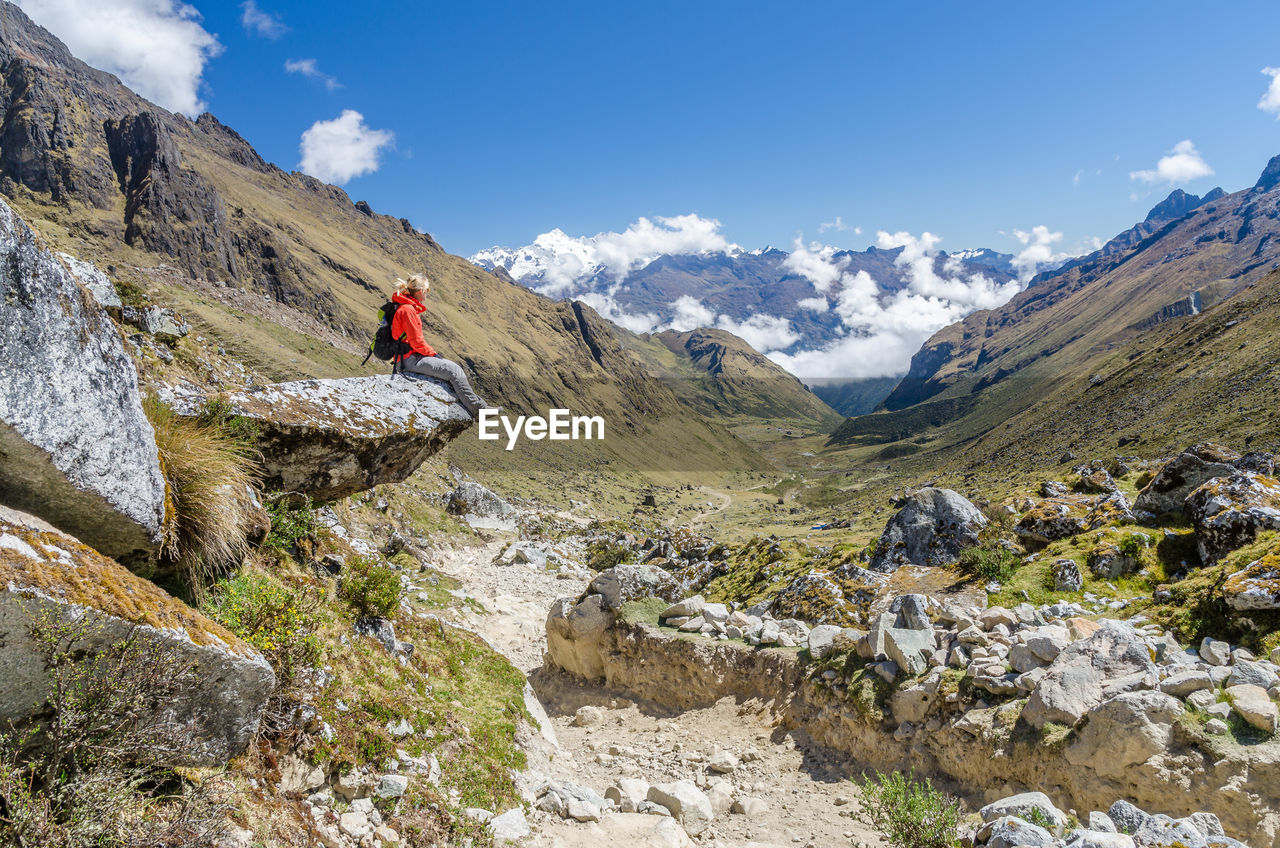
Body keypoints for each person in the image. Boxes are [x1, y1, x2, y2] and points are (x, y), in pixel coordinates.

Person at [390, 274, 491, 416]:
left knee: (451, 369)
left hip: (407, 356)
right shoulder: (408, 310)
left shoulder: (406, 308)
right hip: (409, 359)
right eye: (427, 290)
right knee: (454, 370)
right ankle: (478, 410)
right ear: (420, 291)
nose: (427, 293)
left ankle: (478, 406)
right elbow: (416, 342)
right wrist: (434, 355)